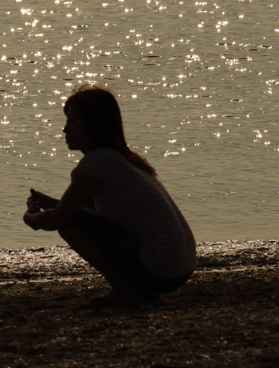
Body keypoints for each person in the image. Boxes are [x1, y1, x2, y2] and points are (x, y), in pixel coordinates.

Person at [23, 84, 196, 306]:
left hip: (159, 270)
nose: (65, 129)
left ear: (93, 125)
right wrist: (48, 202)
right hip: (180, 269)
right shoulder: (123, 159)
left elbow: (61, 219)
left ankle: (126, 291)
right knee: (75, 219)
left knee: (68, 224)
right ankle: (141, 293)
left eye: (72, 121)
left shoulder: (97, 162)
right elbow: (93, 213)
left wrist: (30, 218)